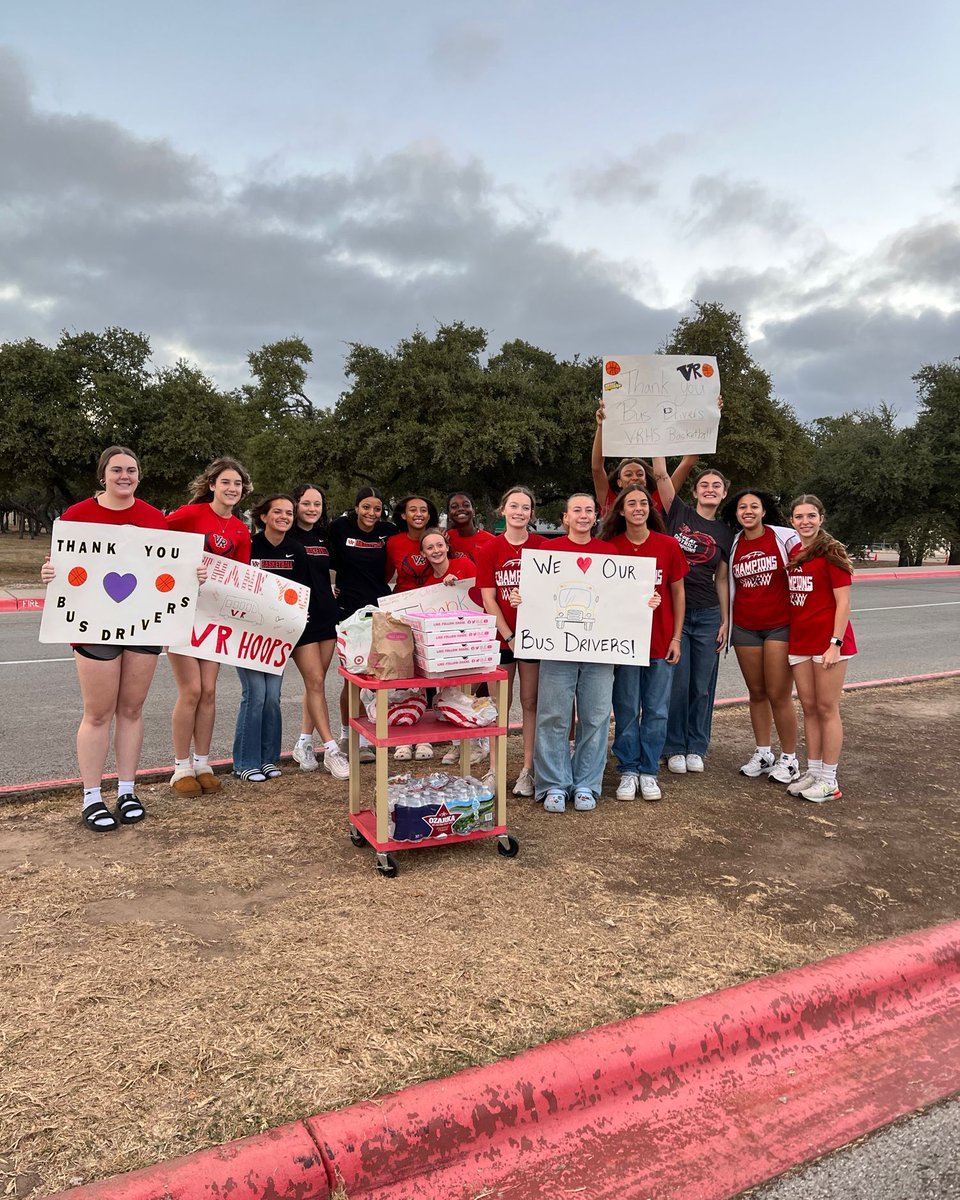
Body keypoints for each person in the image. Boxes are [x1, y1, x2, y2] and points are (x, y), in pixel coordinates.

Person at [40, 447, 190, 832]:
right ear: (102, 475)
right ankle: (92, 796)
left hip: (143, 626)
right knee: (98, 712)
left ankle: (127, 790)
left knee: (132, 709)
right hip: (92, 626)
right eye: (117, 470)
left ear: (139, 475)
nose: (125, 476)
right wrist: (49, 572)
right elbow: (64, 567)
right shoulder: (77, 516)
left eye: (132, 470)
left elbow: (167, 571)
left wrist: (193, 576)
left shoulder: (155, 518)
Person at [165, 457, 252, 797]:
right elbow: (153, 547)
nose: (232, 489)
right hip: (181, 612)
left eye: (238, 484)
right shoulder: (189, 515)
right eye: (226, 482)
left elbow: (241, 577)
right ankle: (180, 766)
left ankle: (203, 762)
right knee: (191, 690)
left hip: (214, 616)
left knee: (210, 692)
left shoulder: (242, 530)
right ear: (212, 484)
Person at [527, 494, 618, 813]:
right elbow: (537, 598)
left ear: (596, 517)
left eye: (588, 510)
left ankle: (587, 783)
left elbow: (617, 600)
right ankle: (553, 783)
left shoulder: (610, 554)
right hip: (556, 647)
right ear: (565, 517)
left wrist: (641, 604)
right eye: (576, 510)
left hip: (599, 650)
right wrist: (520, 599)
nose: (583, 515)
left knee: (595, 716)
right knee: (553, 715)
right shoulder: (546, 552)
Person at [599, 486, 688, 802]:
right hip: (623, 644)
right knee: (624, 708)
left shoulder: (668, 546)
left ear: (651, 509)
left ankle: (649, 770)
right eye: (631, 503)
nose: (638, 507)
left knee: (656, 709)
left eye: (643, 503)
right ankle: (628, 769)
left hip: (660, 642)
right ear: (620, 511)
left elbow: (678, 594)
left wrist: (677, 637)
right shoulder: (610, 547)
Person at [653, 462, 732, 774]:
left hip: (709, 613)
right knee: (678, 683)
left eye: (716, 485)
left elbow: (722, 580)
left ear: (724, 493)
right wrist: (657, 438)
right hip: (676, 614)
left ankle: (696, 745)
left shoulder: (726, 532)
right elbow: (660, 476)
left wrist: (726, 620)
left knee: (701, 685)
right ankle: (673, 746)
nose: (710, 489)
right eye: (704, 485)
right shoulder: (679, 514)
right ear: (695, 491)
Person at [721, 490, 801, 784]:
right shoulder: (734, 544)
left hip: (779, 625)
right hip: (745, 627)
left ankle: (790, 759)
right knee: (756, 692)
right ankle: (764, 753)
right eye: (743, 507)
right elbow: (726, 583)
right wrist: (726, 623)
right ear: (737, 513)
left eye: (754, 506)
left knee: (779, 694)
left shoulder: (784, 537)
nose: (748, 511)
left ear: (764, 510)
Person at [784, 495, 857, 803]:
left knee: (827, 709)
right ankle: (813, 771)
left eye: (811, 515)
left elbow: (844, 602)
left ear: (821, 518)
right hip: (800, 640)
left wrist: (835, 644)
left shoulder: (832, 551)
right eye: (799, 516)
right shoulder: (795, 551)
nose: (805, 521)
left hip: (829, 643)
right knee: (809, 708)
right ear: (792, 521)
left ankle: (830, 780)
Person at [234, 495, 308, 783]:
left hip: (278, 636)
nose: (284, 517)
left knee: (272, 698)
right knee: (254, 695)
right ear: (263, 516)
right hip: (248, 633)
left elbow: (303, 592)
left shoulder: (296, 549)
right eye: (277, 512)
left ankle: (268, 759)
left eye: (289, 513)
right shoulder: (249, 545)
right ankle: (245, 762)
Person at [476, 486, 544, 797]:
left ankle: (527, 770)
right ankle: (494, 768)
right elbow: (489, 598)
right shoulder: (490, 549)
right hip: (502, 638)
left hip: (535, 638)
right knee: (498, 706)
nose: (519, 512)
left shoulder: (544, 546)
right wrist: (509, 636)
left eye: (525, 507)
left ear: (532, 513)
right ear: (503, 510)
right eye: (513, 506)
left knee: (530, 704)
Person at [398, 528, 478, 764]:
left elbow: (480, 591)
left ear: (447, 547)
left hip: (473, 641)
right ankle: (458, 745)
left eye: (439, 545)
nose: (436, 551)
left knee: (470, 693)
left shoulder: (464, 565)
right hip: (449, 647)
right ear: (423, 553)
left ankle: (477, 744)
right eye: (430, 547)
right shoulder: (430, 586)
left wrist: (459, 583)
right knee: (452, 695)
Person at [328, 487, 397, 758]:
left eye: (377, 508)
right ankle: (349, 736)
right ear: (356, 507)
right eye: (366, 507)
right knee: (353, 678)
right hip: (348, 612)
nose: (371, 513)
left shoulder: (388, 532)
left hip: (380, 609)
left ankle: (373, 735)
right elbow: (324, 560)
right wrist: (326, 587)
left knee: (379, 676)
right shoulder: (339, 527)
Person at [287, 484, 349, 779]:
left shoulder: (324, 538)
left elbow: (331, 571)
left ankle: (303, 742)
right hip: (301, 619)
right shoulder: (285, 534)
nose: (312, 509)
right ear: (295, 504)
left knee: (318, 683)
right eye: (306, 504)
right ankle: (331, 749)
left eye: (317, 505)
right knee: (314, 680)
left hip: (327, 616)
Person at [591, 399, 698, 518]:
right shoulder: (609, 502)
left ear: (646, 480)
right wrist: (601, 427)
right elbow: (596, 467)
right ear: (619, 482)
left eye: (640, 474)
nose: (635, 478)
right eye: (628, 474)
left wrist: (705, 415)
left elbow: (688, 462)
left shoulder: (659, 499)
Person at [385, 494, 440, 592]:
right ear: (404, 515)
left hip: (434, 600)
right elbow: (386, 575)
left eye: (423, 510)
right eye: (413, 510)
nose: (419, 514)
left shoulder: (440, 539)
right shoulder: (393, 542)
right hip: (403, 601)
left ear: (428, 517)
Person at [445, 492, 495, 562]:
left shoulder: (492, 542)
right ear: (449, 514)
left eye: (466, 505)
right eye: (454, 507)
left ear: (473, 511)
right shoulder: (445, 538)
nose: (460, 509)